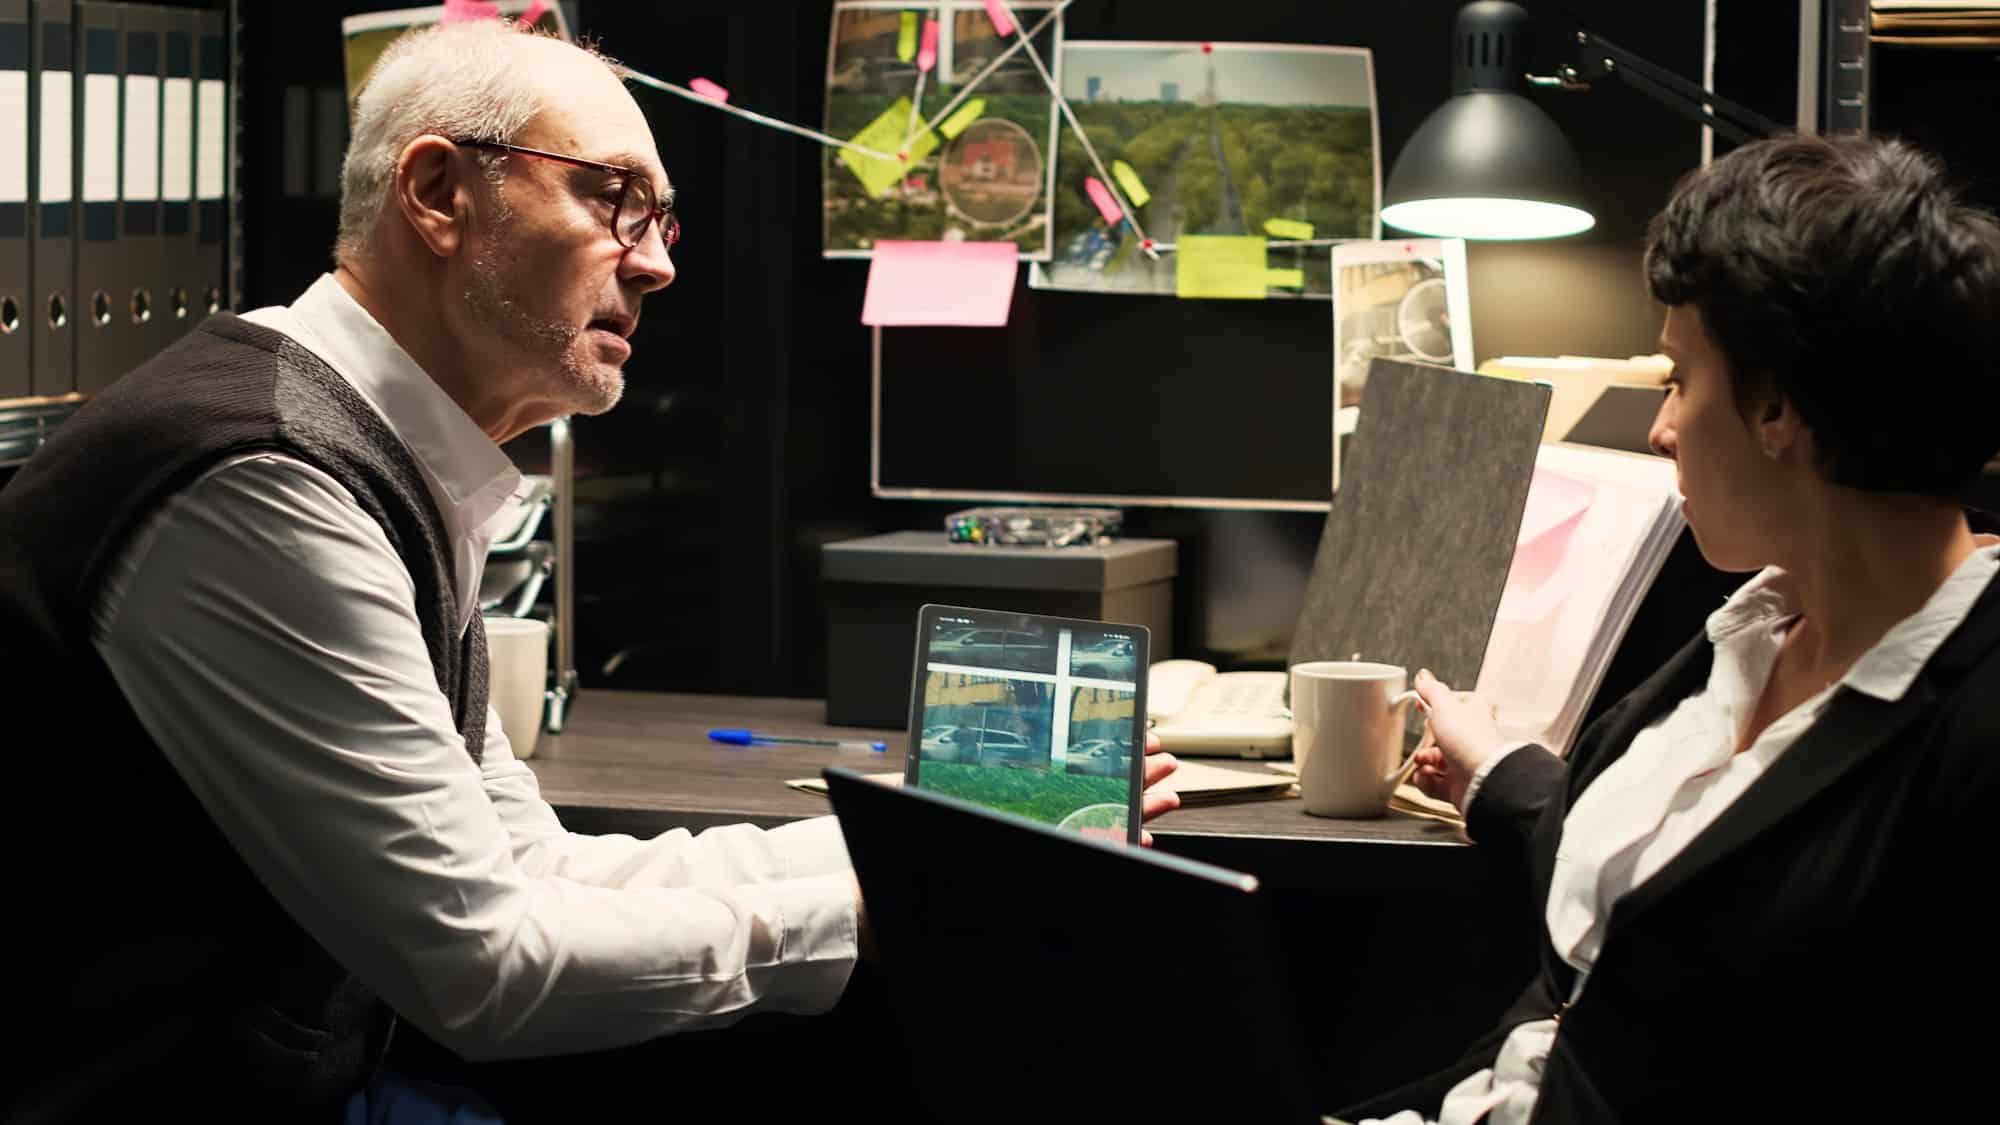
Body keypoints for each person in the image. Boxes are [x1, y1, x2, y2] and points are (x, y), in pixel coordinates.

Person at [0, 21, 1178, 1121]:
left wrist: (937, 838)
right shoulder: (266, 477)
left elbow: (534, 867)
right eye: (615, 200)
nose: (655, 264)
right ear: (438, 194)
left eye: (662, 221)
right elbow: (488, 967)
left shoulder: (367, 447)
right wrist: (899, 907)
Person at [1335, 133, 2000, 1125]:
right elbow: (1658, 892)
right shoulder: (1751, 630)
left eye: (1678, 379)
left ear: (1777, 408)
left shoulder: (1970, 727)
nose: (1658, 428)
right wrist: (1498, 773)